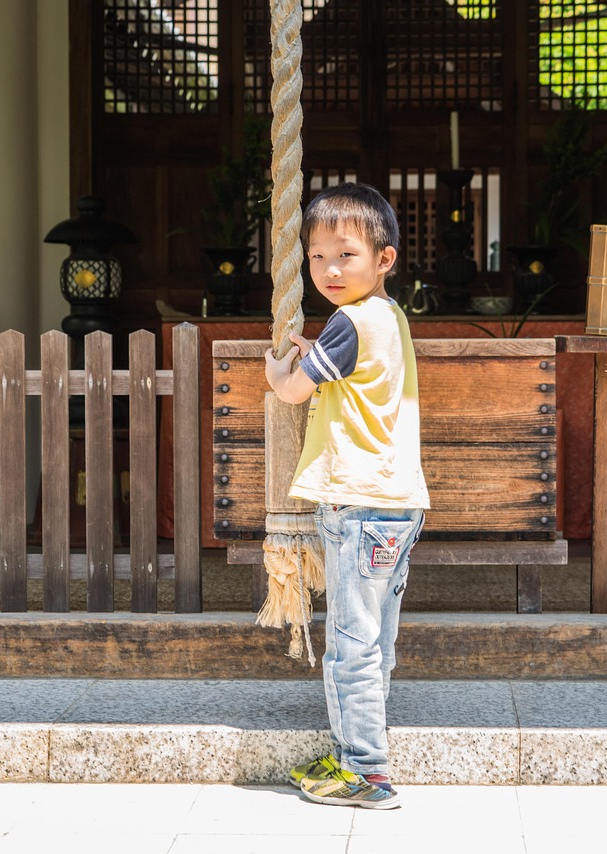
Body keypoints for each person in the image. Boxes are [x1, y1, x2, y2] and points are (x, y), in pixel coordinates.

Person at [264, 182, 430, 809]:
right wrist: (312, 357)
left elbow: (290, 390)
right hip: (395, 504)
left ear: (383, 259)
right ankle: (360, 756)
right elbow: (341, 378)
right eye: (317, 257)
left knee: (350, 645)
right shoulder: (387, 318)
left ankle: (365, 770)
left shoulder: (348, 322)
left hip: (357, 506)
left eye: (346, 255)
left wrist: (277, 367)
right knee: (375, 639)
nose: (329, 270)